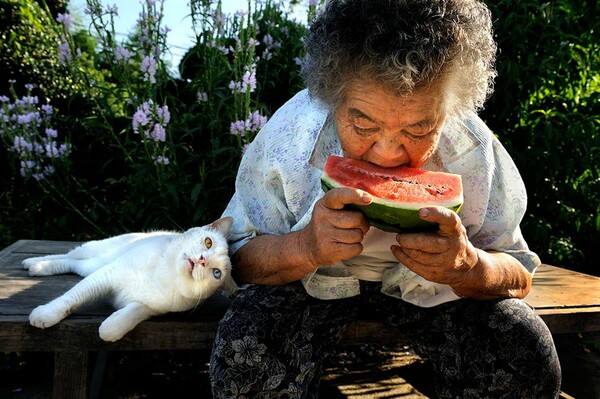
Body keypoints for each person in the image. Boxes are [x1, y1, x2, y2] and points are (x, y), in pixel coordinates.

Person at [210, 0, 561, 397]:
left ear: (451, 110)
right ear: (330, 97)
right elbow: (236, 260)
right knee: (245, 354)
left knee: (523, 351)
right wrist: (304, 247)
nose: (388, 154)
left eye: (419, 128)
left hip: (436, 294)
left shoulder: (473, 151)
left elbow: (518, 273)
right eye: (363, 124)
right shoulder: (291, 137)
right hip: (305, 285)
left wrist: (469, 267)